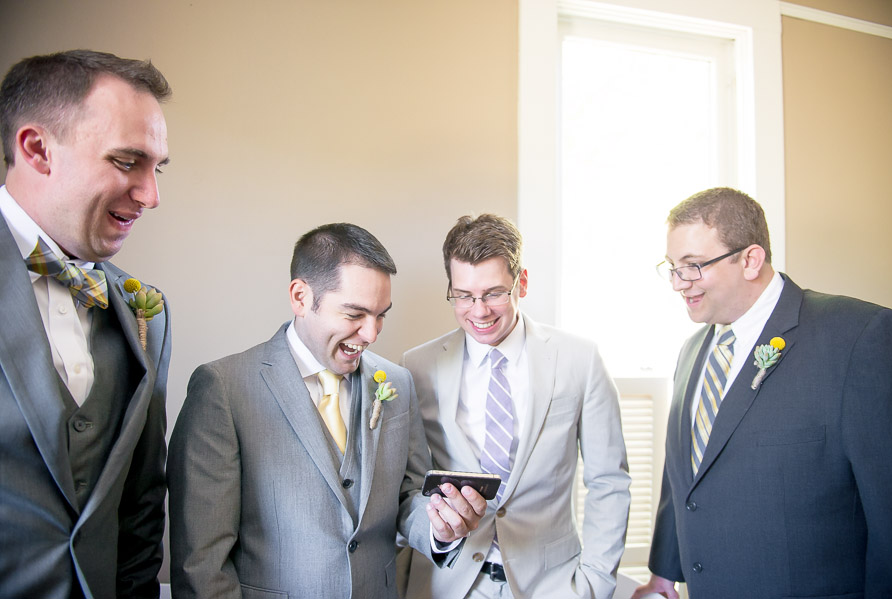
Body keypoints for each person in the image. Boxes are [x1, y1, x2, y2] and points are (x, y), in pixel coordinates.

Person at [168, 222, 487, 598]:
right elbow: (202, 562)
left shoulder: (398, 383)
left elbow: (408, 495)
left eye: (381, 314)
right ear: (301, 297)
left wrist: (439, 528)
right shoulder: (224, 388)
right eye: (355, 314)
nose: (371, 334)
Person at [633, 187, 892, 599]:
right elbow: (683, 477)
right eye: (672, 267)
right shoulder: (692, 352)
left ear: (750, 260)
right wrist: (663, 576)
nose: (678, 283)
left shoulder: (860, 336)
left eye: (693, 266)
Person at [0, 50, 172, 597]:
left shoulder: (146, 309)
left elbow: (141, 504)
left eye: (157, 168)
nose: (151, 195)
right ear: (37, 150)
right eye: (127, 162)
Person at [402, 214, 630, 599]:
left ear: (521, 283)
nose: (479, 311)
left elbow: (609, 481)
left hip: (554, 586)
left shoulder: (579, 359)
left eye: (493, 293)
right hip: (448, 585)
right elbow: (408, 487)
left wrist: (595, 583)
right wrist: (437, 535)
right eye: (463, 295)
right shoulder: (417, 367)